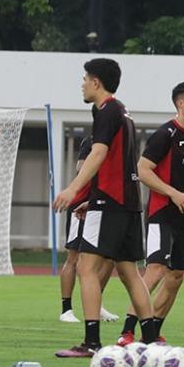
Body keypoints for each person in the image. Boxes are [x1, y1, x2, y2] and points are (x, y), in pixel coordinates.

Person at [51, 58, 155, 357]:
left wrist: (73, 189)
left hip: (110, 202)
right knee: (129, 272)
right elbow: (117, 163)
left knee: (86, 267)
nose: (82, 84)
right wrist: (91, 196)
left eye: (85, 78)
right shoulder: (122, 111)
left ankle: (92, 342)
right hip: (127, 202)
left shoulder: (106, 109)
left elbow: (99, 153)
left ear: (96, 82)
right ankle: (150, 340)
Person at [116, 82, 184, 345]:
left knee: (176, 277)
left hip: (183, 218)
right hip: (161, 214)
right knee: (155, 271)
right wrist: (172, 193)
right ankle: (127, 332)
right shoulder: (166, 134)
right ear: (181, 104)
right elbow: (143, 170)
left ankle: (152, 333)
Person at [58, 135, 118, 324]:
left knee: (109, 258)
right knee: (74, 257)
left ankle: (96, 303)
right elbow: (80, 168)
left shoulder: (119, 143)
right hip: (81, 204)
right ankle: (66, 309)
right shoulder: (92, 140)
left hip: (105, 206)